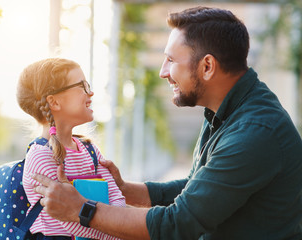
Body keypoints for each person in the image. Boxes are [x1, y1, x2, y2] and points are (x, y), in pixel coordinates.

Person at [31, 7, 302, 240]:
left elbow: (178, 223)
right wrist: (126, 190)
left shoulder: (254, 132)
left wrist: (81, 209)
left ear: (207, 66)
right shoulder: (227, 113)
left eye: (171, 60)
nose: (162, 72)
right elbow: (199, 187)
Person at [16, 58, 126, 239]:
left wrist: (122, 227)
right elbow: (71, 221)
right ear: (54, 102)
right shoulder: (41, 156)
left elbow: (116, 197)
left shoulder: (90, 150)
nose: (90, 92)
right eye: (82, 86)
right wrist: (121, 233)